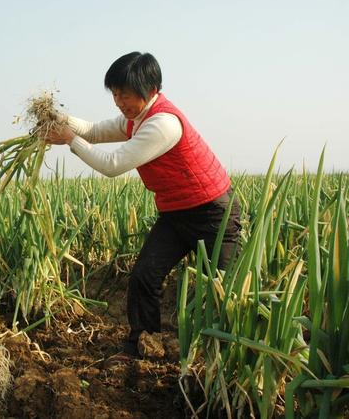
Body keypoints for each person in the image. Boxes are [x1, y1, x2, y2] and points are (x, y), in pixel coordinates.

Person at [44, 52, 241, 362]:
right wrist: (58, 120)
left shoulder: (163, 123)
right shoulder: (136, 118)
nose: (118, 100)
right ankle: (142, 347)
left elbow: (112, 165)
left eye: (124, 93)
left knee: (219, 293)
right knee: (144, 276)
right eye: (115, 93)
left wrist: (69, 139)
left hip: (212, 214)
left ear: (149, 90)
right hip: (175, 213)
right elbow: (94, 130)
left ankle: (221, 361)